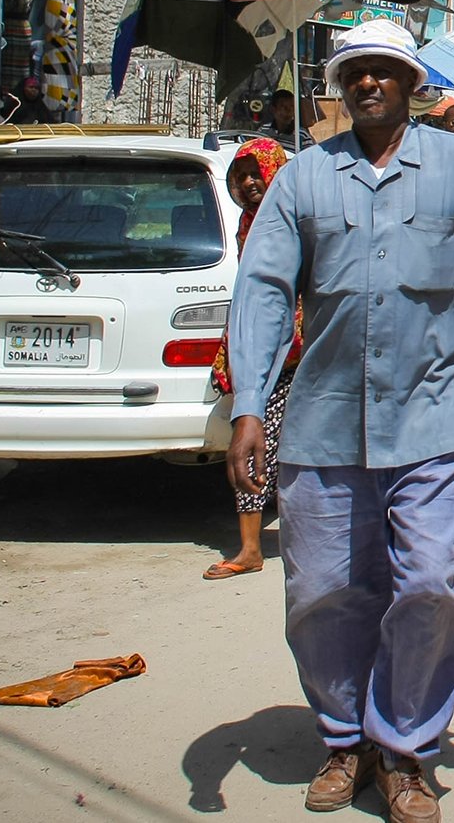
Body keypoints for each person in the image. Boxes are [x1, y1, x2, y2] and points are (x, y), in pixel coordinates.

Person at [224, 18, 454, 823]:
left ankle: (404, 750)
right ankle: (345, 741)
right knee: (324, 591)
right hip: (327, 420)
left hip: (440, 413)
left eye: (384, 72)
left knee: (430, 583)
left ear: (411, 85)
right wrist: (250, 407)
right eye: (354, 72)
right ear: (340, 87)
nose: (368, 83)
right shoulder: (301, 180)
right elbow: (262, 292)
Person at [205, 137, 301, 581]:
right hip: (266, 355)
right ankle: (249, 546)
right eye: (240, 177)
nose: (248, 183)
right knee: (252, 442)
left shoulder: (294, 218)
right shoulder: (247, 223)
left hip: (301, 348)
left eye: (254, 173)